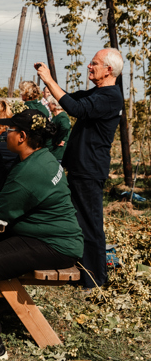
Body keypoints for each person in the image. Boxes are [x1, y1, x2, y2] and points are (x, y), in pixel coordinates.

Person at [0, 109, 84, 361]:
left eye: (9, 130)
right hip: (47, 236)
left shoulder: (31, 171)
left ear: (22, 136)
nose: (4, 134)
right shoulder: (40, 158)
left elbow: (1, 210)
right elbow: (7, 189)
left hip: (54, 245)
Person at [36, 48, 124, 289]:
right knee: (78, 221)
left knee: (91, 224)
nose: (89, 66)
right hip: (81, 167)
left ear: (108, 69)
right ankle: (80, 271)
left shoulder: (110, 97)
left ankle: (95, 281)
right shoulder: (98, 93)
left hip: (90, 169)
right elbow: (71, 99)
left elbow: (75, 109)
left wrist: (50, 80)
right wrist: (50, 92)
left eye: (94, 63)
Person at [46, 95, 71, 162]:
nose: (48, 105)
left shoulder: (62, 117)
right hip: (54, 152)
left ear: (54, 104)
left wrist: (59, 140)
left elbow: (65, 127)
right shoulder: (57, 116)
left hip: (58, 154)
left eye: (49, 104)